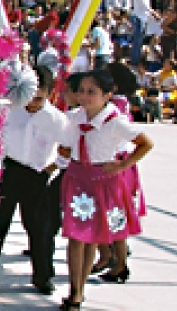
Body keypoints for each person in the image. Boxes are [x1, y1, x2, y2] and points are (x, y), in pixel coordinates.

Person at [57, 70, 154, 310]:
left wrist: (122, 164)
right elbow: (65, 145)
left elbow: (146, 143)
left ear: (107, 95)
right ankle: (74, 288)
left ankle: (79, 291)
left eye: (92, 92)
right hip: (78, 179)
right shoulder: (74, 118)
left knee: (91, 238)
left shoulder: (114, 121)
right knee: (75, 236)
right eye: (81, 91)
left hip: (102, 180)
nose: (84, 96)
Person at [0, 65, 66, 299]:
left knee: (40, 230)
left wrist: (52, 168)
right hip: (8, 171)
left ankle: (43, 276)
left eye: (39, 98)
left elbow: (67, 148)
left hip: (37, 175)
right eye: (30, 97)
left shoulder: (56, 119)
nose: (32, 103)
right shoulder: (9, 111)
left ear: (50, 94)